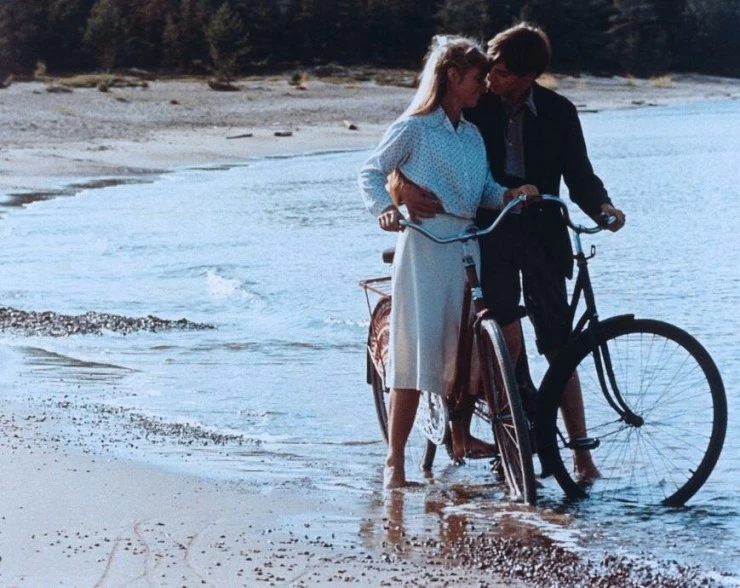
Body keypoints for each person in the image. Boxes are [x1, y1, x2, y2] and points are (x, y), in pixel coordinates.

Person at [391, 22, 626, 484]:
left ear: (528, 76)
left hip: (543, 239)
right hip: (490, 237)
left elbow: (580, 175)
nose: (489, 79)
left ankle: (580, 455)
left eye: (499, 73)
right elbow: (416, 146)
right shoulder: (475, 106)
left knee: (560, 346)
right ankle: (499, 441)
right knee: (501, 342)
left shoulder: (559, 112)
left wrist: (603, 207)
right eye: (487, 72)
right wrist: (402, 191)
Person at [358, 35, 539, 490]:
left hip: (467, 244)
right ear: (453, 76)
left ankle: (459, 436)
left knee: (465, 347)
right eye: (478, 77)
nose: (484, 85)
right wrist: (388, 209)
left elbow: (483, 192)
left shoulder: (472, 135)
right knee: (416, 353)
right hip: (424, 245)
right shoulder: (415, 128)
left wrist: (511, 195)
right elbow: (370, 171)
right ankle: (395, 461)